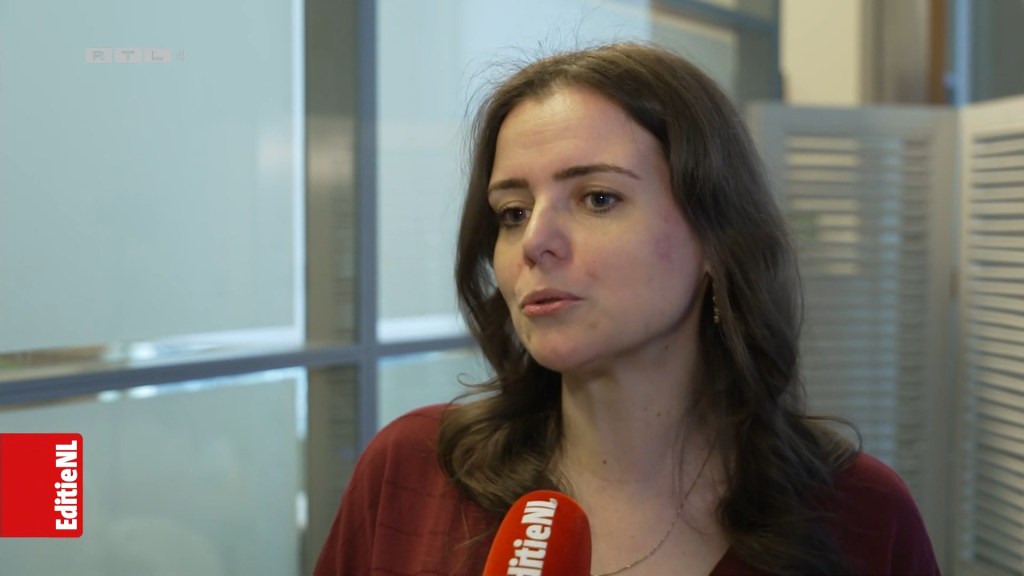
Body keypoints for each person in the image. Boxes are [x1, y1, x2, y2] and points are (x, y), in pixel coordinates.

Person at [313, 42, 940, 576]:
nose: (535, 242)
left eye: (598, 198)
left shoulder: (864, 513)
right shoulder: (411, 470)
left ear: (714, 240)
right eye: (513, 211)